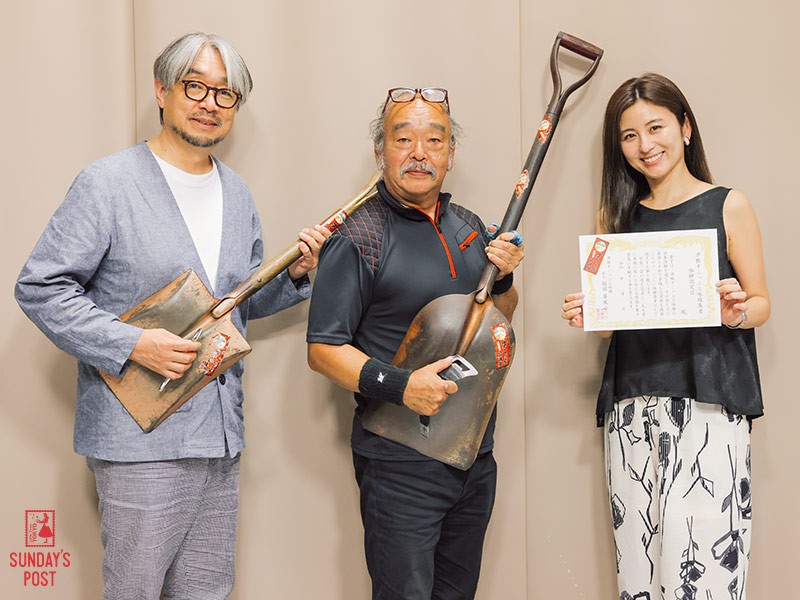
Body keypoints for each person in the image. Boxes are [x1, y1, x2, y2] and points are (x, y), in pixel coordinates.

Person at [15, 32, 329, 599]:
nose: (210, 103)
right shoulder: (107, 184)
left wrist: (296, 275)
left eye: (225, 94)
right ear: (162, 91)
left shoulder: (237, 195)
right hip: (138, 441)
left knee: (209, 592)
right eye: (195, 87)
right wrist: (134, 344)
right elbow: (41, 287)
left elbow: (234, 306)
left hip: (220, 437)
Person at [306, 87, 524, 599]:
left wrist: (507, 278)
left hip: (473, 456)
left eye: (434, 140)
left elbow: (498, 319)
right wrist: (402, 386)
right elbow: (322, 350)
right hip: (399, 461)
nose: (419, 153)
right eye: (403, 139)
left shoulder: (470, 227)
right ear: (380, 152)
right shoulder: (359, 237)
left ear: (451, 153)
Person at [560, 73, 769, 600]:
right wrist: (590, 314)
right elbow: (611, 325)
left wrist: (735, 312)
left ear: (686, 128)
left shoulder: (728, 205)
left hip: (710, 403)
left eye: (656, 127)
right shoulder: (614, 217)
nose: (644, 145)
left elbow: (761, 303)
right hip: (632, 406)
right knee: (639, 565)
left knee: (706, 566)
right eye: (629, 136)